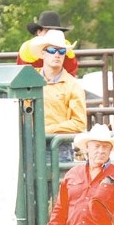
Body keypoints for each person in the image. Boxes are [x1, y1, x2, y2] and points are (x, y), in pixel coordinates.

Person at [31, 29, 87, 161]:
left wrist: (44, 130)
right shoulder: (30, 78)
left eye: (61, 51)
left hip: (58, 147)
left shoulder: (73, 85)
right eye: (52, 50)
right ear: (43, 53)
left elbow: (79, 124)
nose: (57, 54)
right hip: (30, 145)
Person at [17, 10, 79, 77]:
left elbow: (70, 75)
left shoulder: (66, 48)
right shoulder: (26, 50)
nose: (52, 34)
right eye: (48, 31)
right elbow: (23, 78)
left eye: (56, 31)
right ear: (38, 32)